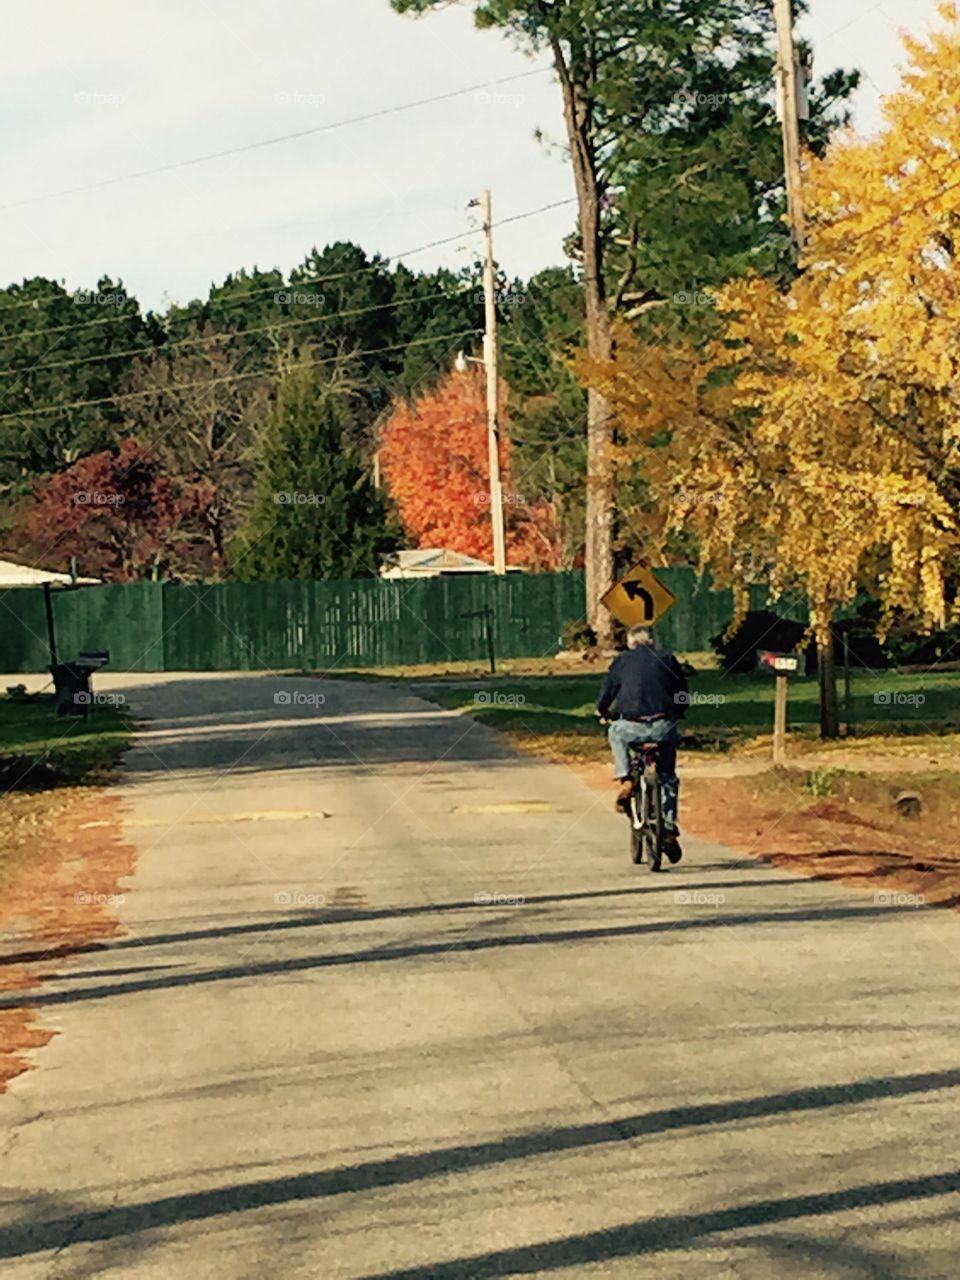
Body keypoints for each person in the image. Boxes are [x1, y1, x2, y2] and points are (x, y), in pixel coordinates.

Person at [595, 624, 687, 852]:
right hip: (663, 727)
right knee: (668, 777)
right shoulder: (668, 659)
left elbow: (608, 691)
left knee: (615, 732)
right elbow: (682, 693)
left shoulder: (622, 661)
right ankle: (669, 826)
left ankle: (625, 777)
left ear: (631, 643)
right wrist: (678, 712)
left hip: (631, 726)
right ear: (652, 642)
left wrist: (602, 711)